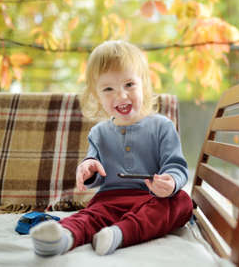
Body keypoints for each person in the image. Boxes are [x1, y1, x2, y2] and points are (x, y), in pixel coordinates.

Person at [31, 40, 193, 256]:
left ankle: (119, 234)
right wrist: (88, 168)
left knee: (182, 201)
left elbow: (177, 167)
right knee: (89, 215)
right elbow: (94, 169)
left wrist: (171, 182)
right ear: (97, 96)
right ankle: (61, 238)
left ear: (143, 84)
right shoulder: (98, 133)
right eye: (108, 88)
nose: (121, 95)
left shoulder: (162, 126)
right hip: (110, 200)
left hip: (151, 199)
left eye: (129, 85)